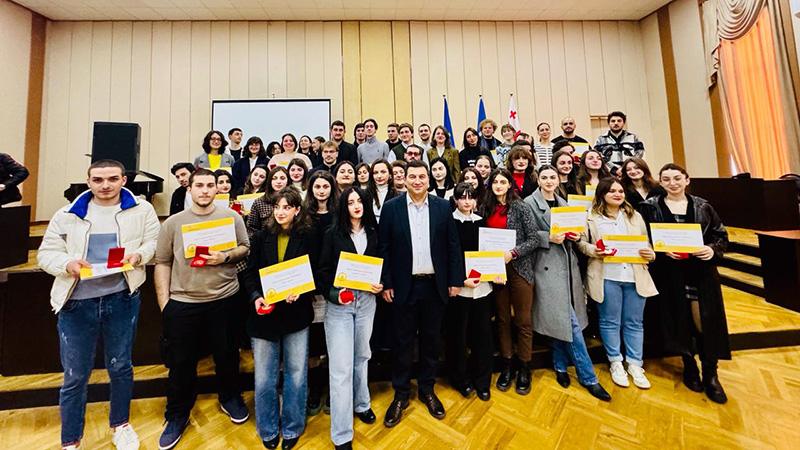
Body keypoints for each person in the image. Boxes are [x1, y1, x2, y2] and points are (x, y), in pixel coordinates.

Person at [38, 159, 159, 450]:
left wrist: (139, 256)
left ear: (124, 180)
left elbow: (153, 242)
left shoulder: (142, 210)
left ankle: (120, 425)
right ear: (89, 181)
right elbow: (46, 253)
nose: (105, 185)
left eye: (112, 179)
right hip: (76, 303)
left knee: (121, 366)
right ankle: (71, 440)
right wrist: (67, 264)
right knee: (75, 375)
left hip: (122, 298)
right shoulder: (67, 214)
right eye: (98, 180)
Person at [154, 168, 251, 450]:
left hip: (225, 298)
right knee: (181, 364)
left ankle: (230, 397)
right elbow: (162, 262)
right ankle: (177, 414)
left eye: (210, 185)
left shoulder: (231, 217)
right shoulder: (173, 223)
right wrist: (165, 304)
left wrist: (225, 256)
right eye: (200, 185)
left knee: (228, 355)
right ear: (190, 189)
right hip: (184, 303)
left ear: (217, 188)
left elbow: (245, 247)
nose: (205, 190)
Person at [378, 160, 463, 427]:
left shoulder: (442, 206)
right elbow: (383, 248)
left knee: (430, 341)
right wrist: (387, 282)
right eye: (412, 176)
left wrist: (454, 280)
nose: (417, 181)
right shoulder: (391, 208)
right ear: (403, 179)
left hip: (434, 286)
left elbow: (453, 245)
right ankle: (401, 394)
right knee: (402, 342)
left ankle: (427, 389)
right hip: (403, 286)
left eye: (422, 177)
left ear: (429, 180)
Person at [638, 163, 730, 404]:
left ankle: (711, 373)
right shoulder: (649, 207)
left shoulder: (703, 206)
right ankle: (689, 365)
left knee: (704, 322)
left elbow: (720, 235)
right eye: (667, 179)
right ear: (660, 182)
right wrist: (658, 250)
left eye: (677, 178)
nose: (673, 183)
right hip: (669, 273)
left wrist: (712, 249)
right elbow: (642, 238)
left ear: (687, 180)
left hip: (700, 272)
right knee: (679, 319)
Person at [525, 165, 612, 402]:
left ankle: (560, 364)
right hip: (546, 267)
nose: (549, 180)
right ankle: (589, 377)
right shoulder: (528, 204)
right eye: (544, 177)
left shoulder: (565, 204)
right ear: (538, 180)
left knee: (561, 319)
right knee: (569, 322)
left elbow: (578, 233)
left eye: (552, 177)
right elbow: (521, 235)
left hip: (568, 267)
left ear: (558, 180)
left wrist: (575, 235)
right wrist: (547, 237)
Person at [242, 188, 316, 450]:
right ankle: (268, 428)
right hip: (265, 315)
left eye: (287, 207)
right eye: (277, 207)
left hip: (296, 315)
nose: (281, 212)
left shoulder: (309, 236)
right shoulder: (262, 236)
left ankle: (293, 426)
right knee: (265, 377)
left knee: (296, 374)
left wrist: (302, 290)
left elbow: (315, 271)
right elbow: (250, 273)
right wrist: (256, 297)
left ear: (297, 210)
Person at [576, 178, 658, 389]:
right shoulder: (590, 216)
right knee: (609, 321)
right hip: (606, 275)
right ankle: (615, 362)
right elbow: (582, 244)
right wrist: (595, 251)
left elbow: (646, 243)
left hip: (634, 274)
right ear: (602, 194)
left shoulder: (635, 216)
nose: (617, 194)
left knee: (634, 322)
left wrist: (651, 253)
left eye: (620, 191)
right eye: (612, 191)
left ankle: (635, 364)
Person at [318, 187, 382, 450]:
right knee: (341, 367)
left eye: (360, 201)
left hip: (367, 302)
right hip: (340, 306)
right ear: (343, 207)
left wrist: (381, 283)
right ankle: (342, 433)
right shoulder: (332, 234)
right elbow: (322, 272)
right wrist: (335, 294)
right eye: (350, 202)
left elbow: (382, 264)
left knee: (362, 356)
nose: (356, 206)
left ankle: (362, 404)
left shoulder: (375, 232)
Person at [480, 168, 539, 395]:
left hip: (519, 269)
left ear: (510, 185)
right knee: (503, 319)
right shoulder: (485, 207)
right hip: (495, 271)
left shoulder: (521, 207)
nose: (498, 186)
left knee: (523, 320)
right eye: (495, 182)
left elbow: (533, 239)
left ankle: (524, 366)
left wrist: (513, 253)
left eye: (503, 182)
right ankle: (506, 364)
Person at [447, 182, 497, 402]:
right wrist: (460, 280)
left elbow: (489, 253)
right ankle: (460, 379)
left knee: (483, 336)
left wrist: (496, 272)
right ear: (456, 200)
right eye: (462, 197)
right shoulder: (449, 222)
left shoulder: (481, 222)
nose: (467, 201)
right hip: (460, 288)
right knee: (458, 337)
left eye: (471, 197)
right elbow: (448, 255)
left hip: (482, 288)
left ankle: (482, 380)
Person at [302, 171, 339, 417]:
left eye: (326, 186)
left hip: (337, 284)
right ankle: (315, 388)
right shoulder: (303, 215)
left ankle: (333, 390)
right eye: (317, 186)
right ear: (311, 189)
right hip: (312, 286)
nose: (322, 190)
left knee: (334, 342)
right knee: (315, 343)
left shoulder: (339, 213)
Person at [246, 166, 290, 236]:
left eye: (282, 178)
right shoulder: (259, 202)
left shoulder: (295, 200)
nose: (278, 182)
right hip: (265, 240)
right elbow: (251, 228)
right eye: (274, 178)